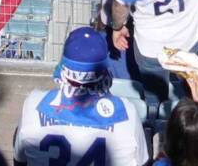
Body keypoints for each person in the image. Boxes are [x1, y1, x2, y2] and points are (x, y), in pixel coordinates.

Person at [14, 25, 149, 166]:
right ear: (105, 72)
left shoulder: (33, 103)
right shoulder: (127, 112)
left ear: (64, 68)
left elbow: (19, 160)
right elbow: (143, 161)